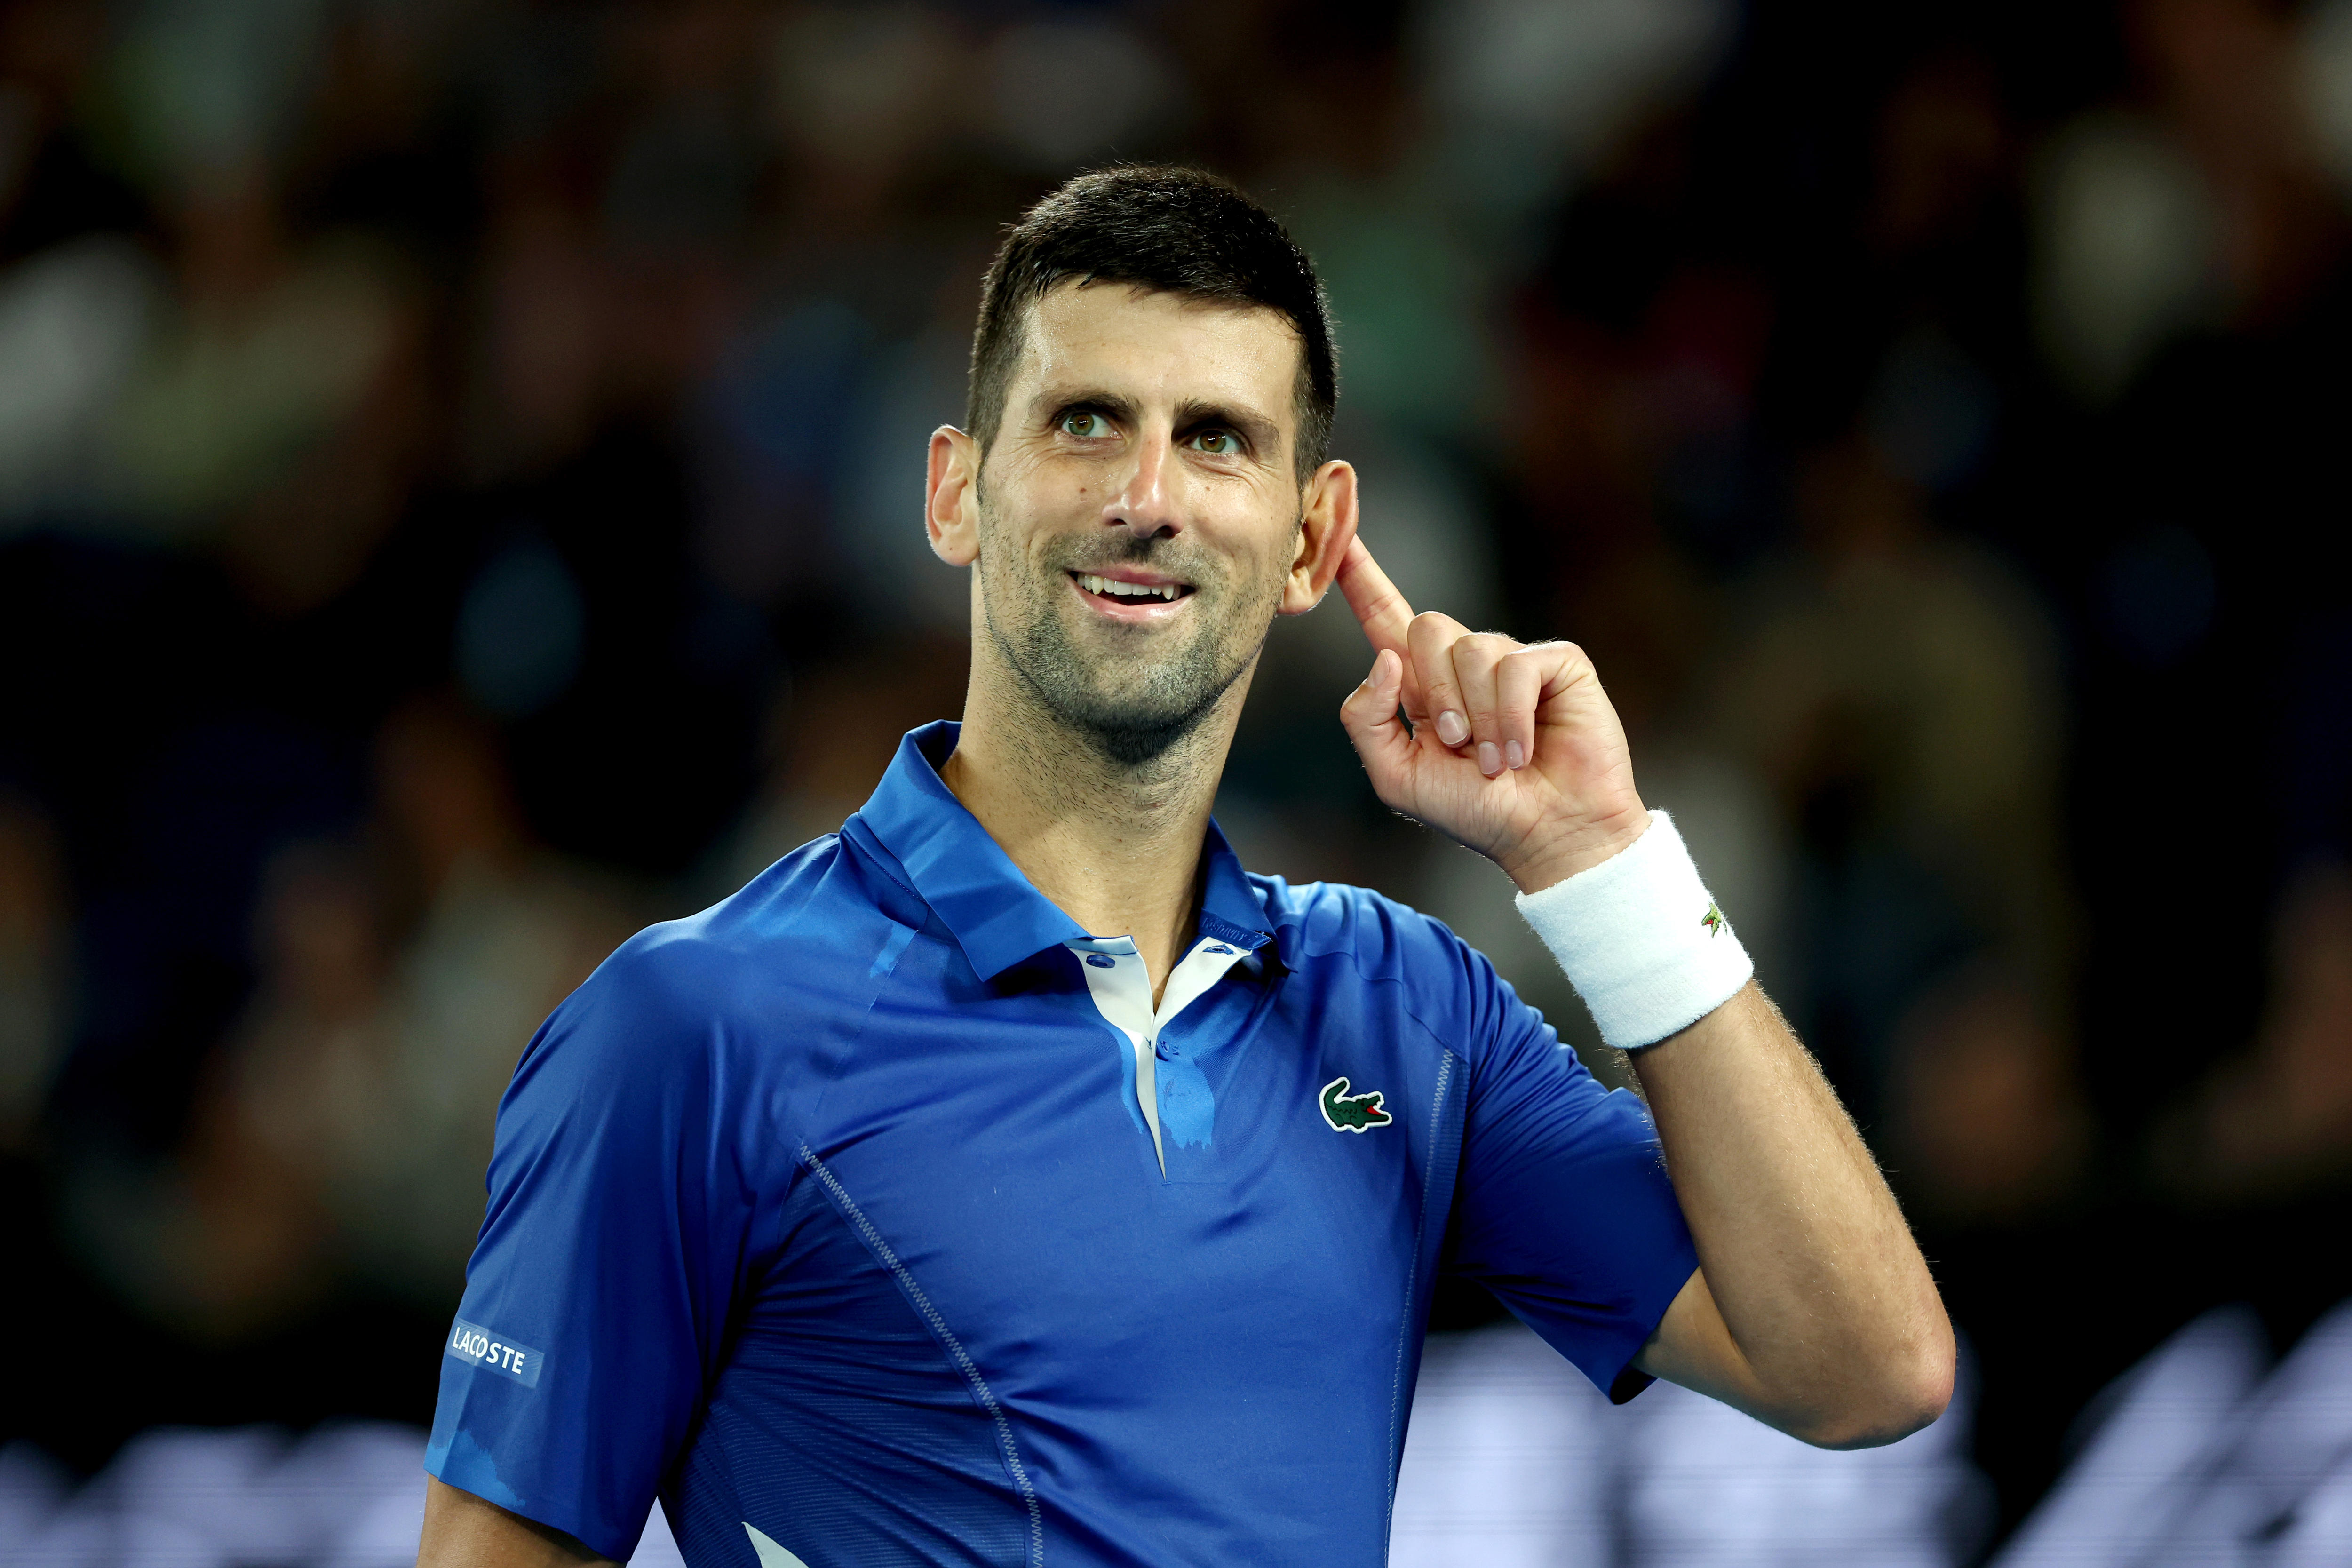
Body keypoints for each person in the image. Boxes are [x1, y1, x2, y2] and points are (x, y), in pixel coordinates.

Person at [416, 167, 1952, 1568]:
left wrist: (1600, 863)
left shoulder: (1409, 1013)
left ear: (1311, 539)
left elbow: (1867, 1370)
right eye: (1086, 421)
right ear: (955, 491)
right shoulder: (691, 1029)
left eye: (1216, 438)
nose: (1146, 496)